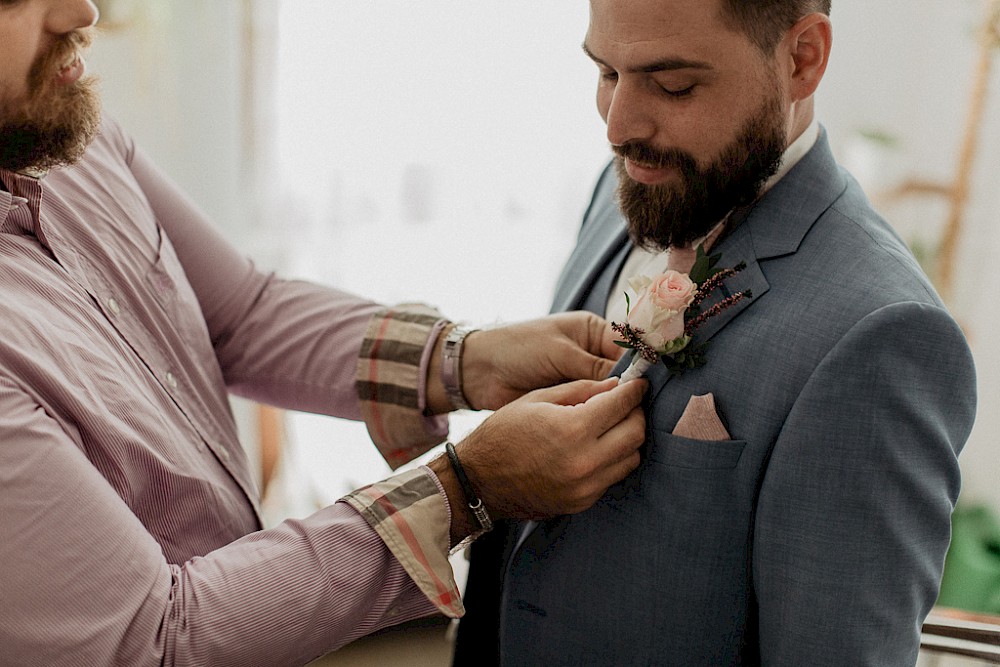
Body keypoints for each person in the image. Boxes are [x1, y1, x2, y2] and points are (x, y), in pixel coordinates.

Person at [0, 2, 651, 665]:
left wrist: (465, 359)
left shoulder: (61, 136)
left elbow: (241, 314)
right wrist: (466, 490)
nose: (81, 9)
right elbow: (156, 638)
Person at [455, 0, 978, 665]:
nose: (619, 127)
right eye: (607, 73)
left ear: (802, 58)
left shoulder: (883, 336)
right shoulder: (628, 188)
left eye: (674, 84)